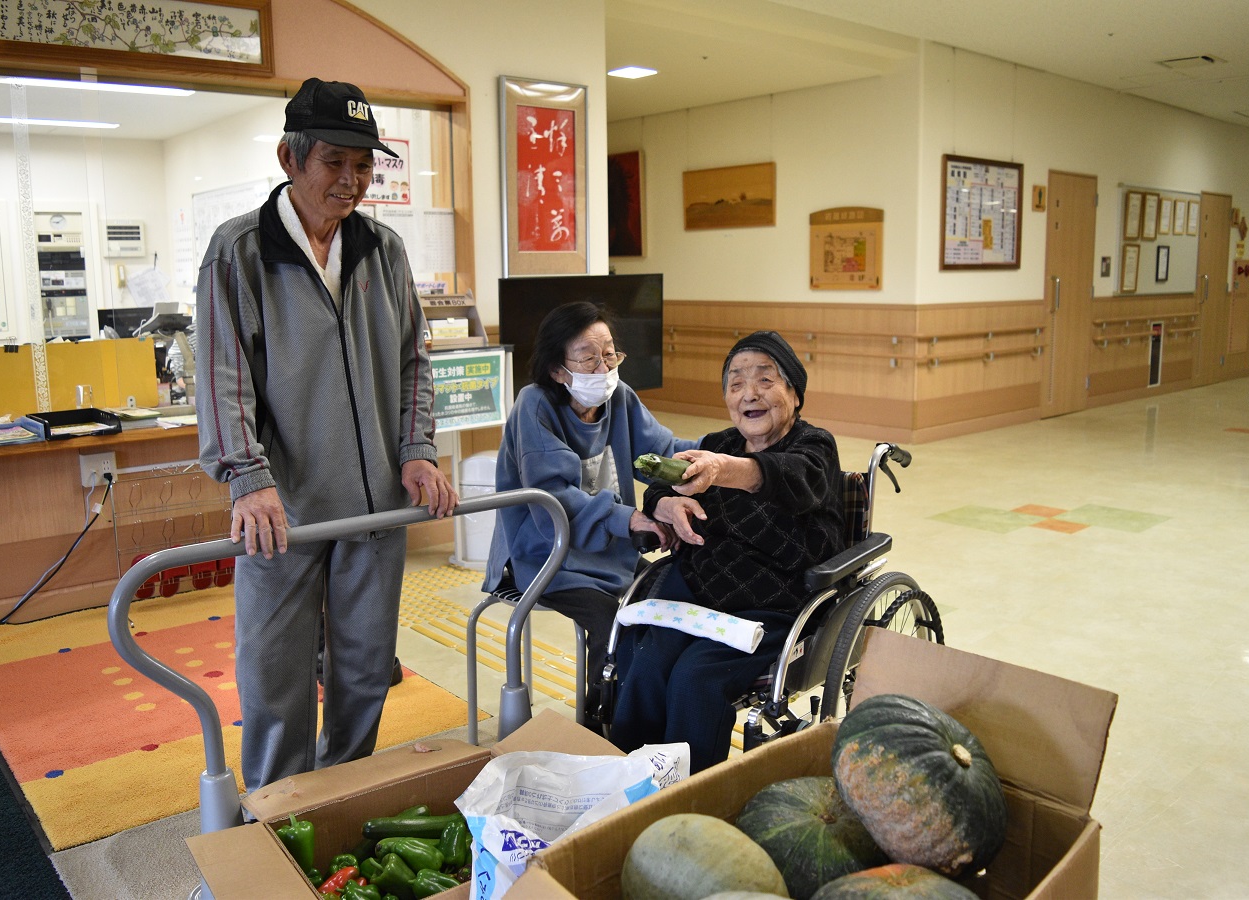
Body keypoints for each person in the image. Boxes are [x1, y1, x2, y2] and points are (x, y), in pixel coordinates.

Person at [196, 77, 456, 793]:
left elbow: (412, 359)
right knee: (274, 675)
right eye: (334, 163)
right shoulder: (240, 250)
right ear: (290, 157)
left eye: (364, 165)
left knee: (365, 669)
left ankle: (340, 796)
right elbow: (224, 373)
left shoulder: (382, 247)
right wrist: (247, 479)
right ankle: (276, 812)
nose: (351, 181)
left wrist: (417, 450)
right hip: (285, 511)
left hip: (376, 505)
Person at [608, 330, 847, 772]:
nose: (748, 394)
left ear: (795, 392)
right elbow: (664, 481)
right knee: (643, 666)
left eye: (765, 380)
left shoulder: (815, 447)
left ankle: (693, 798)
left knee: (694, 680)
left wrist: (721, 470)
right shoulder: (719, 442)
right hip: (696, 595)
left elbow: (786, 476)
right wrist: (665, 500)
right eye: (735, 384)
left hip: (770, 605)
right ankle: (627, 785)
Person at [482, 301, 696, 723]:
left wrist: (721, 454)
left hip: (607, 553)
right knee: (614, 624)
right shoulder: (534, 406)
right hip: (544, 558)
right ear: (559, 371)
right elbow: (553, 496)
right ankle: (601, 725)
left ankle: (648, 713)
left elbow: (664, 450)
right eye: (588, 358)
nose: (604, 369)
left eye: (609, 354)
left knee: (670, 596)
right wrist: (630, 519)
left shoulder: (622, 399)